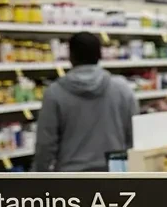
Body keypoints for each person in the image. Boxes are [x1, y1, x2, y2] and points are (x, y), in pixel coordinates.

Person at [32, 32, 138, 171]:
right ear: (100, 55)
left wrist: (39, 175)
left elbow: (46, 144)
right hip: (114, 172)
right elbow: (134, 136)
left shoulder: (55, 93)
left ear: (71, 56)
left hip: (72, 177)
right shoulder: (122, 89)